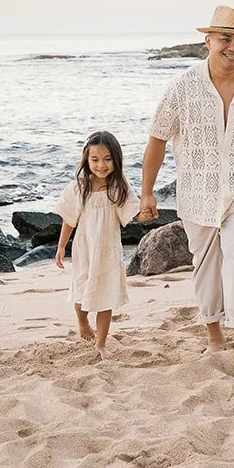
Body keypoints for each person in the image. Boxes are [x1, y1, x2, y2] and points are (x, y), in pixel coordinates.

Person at [138, 5, 234, 369]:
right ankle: (214, 335)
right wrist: (147, 191)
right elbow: (158, 139)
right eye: (225, 38)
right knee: (206, 266)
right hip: (197, 194)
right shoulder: (183, 87)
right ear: (207, 41)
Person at [54, 131, 138, 360]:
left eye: (107, 159)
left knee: (105, 295)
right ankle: (82, 322)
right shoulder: (80, 188)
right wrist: (61, 246)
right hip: (85, 250)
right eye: (95, 160)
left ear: (116, 160)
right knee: (81, 292)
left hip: (108, 251)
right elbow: (69, 219)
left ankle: (101, 343)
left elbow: (132, 213)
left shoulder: (119, 188)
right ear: (86, 160)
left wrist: (147, 210)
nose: (101, 165)